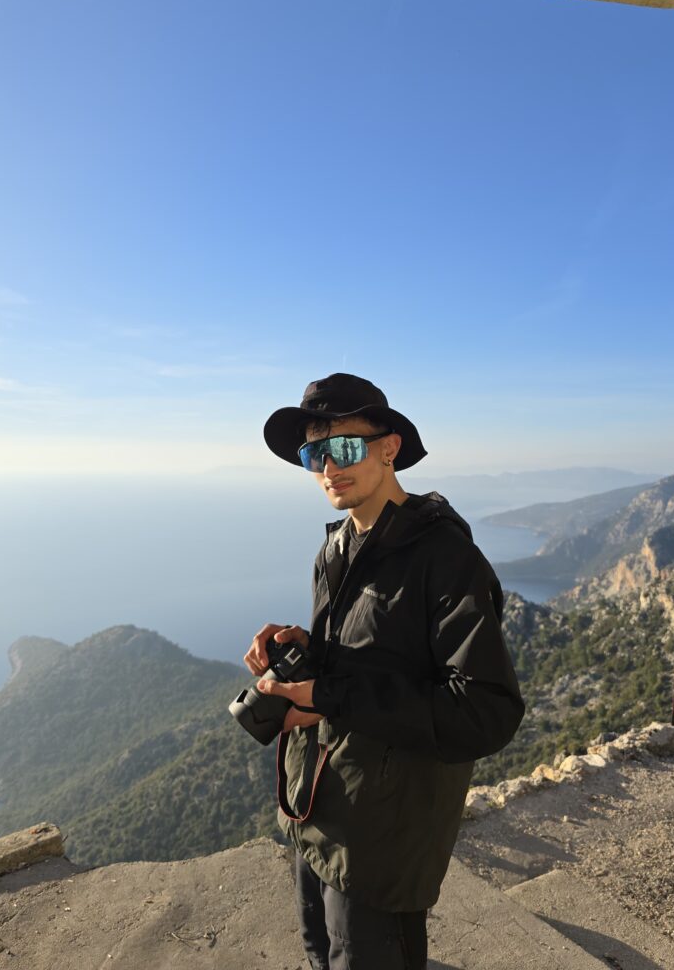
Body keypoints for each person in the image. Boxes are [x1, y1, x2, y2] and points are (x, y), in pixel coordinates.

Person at [244, 372, 524, 970]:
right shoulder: (337, 546)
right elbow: (367, 659)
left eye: (344, 447)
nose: (327, 468)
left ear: (389, 447)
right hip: (319, 809)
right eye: (314, 454)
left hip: (383, 839)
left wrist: (331, 695)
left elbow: (485, 711)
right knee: (319, 952)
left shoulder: (445, 559)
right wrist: (306, 650)